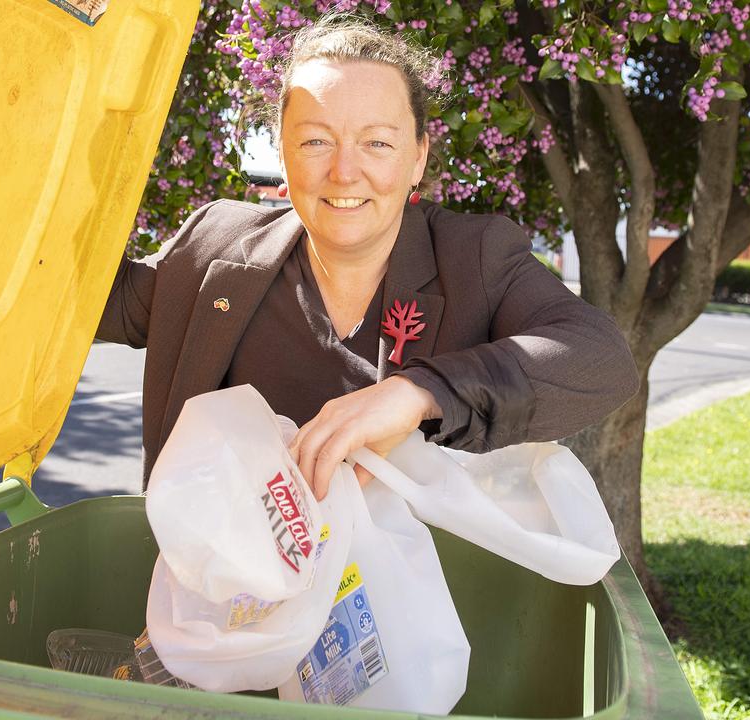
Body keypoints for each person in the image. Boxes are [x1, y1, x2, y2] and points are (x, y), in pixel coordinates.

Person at [98, 15, 639, 499]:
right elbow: (69, 294)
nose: (344, 172)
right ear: (282, 151)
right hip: (226, 597)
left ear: (418, 157)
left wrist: (419, 392)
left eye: (377, 143)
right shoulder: (214, 244)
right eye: (314, 142)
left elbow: (601, 360)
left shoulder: (475, 259)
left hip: (407, 599)